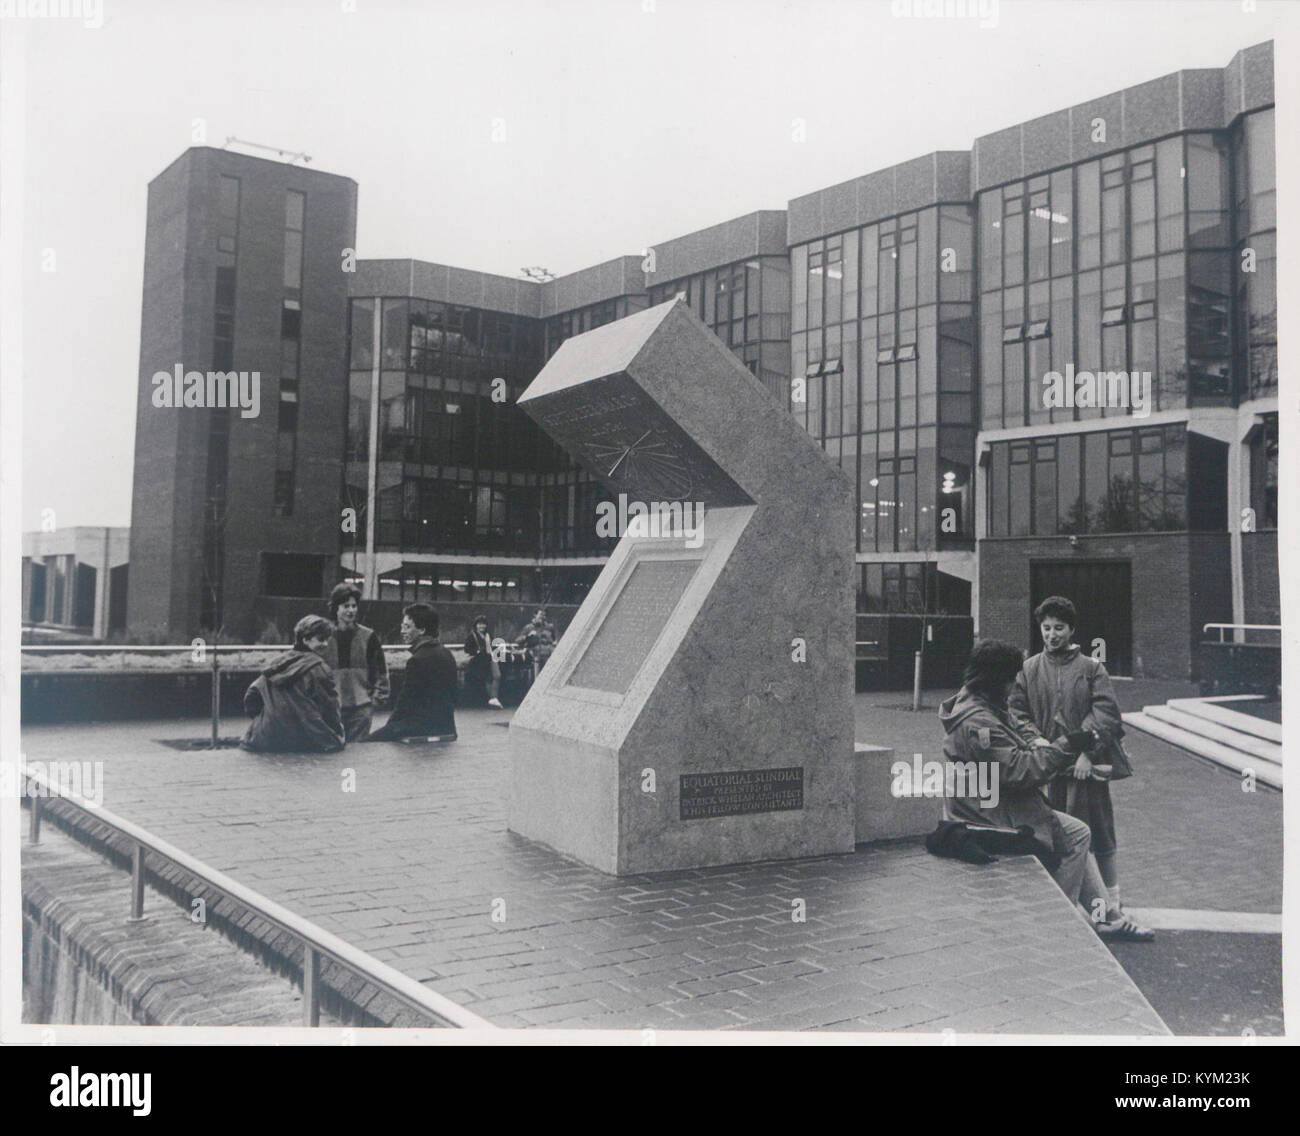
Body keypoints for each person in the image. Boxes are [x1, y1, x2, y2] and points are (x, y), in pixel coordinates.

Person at [939, 639, 1117, 928]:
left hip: (987, 804)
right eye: (1011, 680)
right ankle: (1055, 921)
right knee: (1075, 837)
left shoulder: (977, 702)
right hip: (987, 815)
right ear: (997, 680)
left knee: (1073, 832)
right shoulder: (979, 724)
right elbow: (1022, 772)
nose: (1013, 688)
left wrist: (1036, 739)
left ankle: (1107, 917)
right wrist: (1066, 744)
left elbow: (1012, 726)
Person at [1009, 596, 1153, 941]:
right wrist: (1037, 742)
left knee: (1100, 838)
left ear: (1072, 630)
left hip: (1086, 773)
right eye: (1046, 628)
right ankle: (1077, 907)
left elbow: (1106, 714)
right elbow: (1017, 712)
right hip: (1048, 773)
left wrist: (1088, 753)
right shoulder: (1029, 669)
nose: (1052, 634)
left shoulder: (1092, 668)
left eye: (1059, 627)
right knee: (1061, 840)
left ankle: (1111, 909)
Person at [240, 615, 345, 753]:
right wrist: (337, 735)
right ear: (305, 639)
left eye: (326, 639)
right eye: (321, 639)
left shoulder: (276, 664)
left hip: (263, 738)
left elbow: (251, 697)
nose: (325, 644)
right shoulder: (319, 668)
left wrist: (264, 718)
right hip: (304, 739)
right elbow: (330, 707)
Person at [366, 603, 458, 741]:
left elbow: (405, 701)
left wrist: (389, 727)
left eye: (407, 627)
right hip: (446, 725)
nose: (402, 631)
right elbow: (453, 695)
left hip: (419, 726)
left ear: (421, 630)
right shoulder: (447, 654)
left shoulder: (416, 660)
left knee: (368, 740)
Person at [321, 583, 390, 741]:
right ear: (335, 608)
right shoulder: (323, 636)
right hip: (331, 708)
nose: (351, 610)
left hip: (361, 709)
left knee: (357, 755)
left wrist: (375, 700)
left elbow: (381, 671)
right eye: (346, 606)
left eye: (354, 606)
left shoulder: (369, 636)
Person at [461, 614, 503, 709]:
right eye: (479, 624)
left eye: (483, 624)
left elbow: (493, 646)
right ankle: (493, 698)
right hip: (480, 661)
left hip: (490, 658)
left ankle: (493, 698)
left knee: (497, 675)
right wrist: (477, 651)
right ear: (476, 625)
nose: (482, 626)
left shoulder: (488, 635)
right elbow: (467, 649)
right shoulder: (472, 636)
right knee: (488, 679)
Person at [515, 608, 556, 680]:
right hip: (535, 653)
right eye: (540, 615)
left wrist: (552, 642)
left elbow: (554, 640)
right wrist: (527, 636)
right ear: (535, 615)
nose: (542, 617)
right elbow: (518, 641)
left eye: (544, 615)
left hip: (547, 653)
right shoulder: (529, 627)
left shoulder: (549, 627)